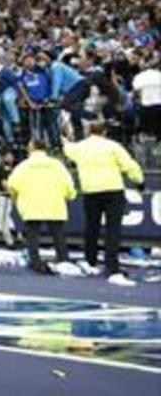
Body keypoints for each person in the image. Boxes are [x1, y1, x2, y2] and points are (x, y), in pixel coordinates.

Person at [62, 121, 144, 286]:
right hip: (113, 191)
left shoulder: (80, 147)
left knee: (92, 228)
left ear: (89, 131)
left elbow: (68, 150)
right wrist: (139, 181)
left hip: (91, 191)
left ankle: (90, 261)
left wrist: (66, 139)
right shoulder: (114, 146)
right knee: (112, 230)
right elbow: (129, 165)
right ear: (105, 132)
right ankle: (112, 267)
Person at [5, 139, 77, 275]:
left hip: (32, 204)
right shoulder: (57, 165)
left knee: (33, 236)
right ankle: (63, 260)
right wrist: (69, 196)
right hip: (54, 204)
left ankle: (35, 262)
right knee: (58, 235)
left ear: (32, 148)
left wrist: (16, 200)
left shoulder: (24, 165)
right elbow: (69, 185)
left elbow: (12, 185)